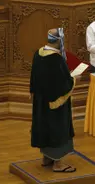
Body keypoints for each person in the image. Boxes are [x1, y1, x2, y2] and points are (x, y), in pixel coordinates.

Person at [29, 28, 76, 173]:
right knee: (58, 128)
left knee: (44, 127)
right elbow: (63, 83)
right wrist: (74, 79)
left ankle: (46, 158)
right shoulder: (56, 59)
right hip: (55, 103)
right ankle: (58, 164)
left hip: (41, 101)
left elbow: (34, 77)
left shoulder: (38, 53)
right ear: (59, 41)